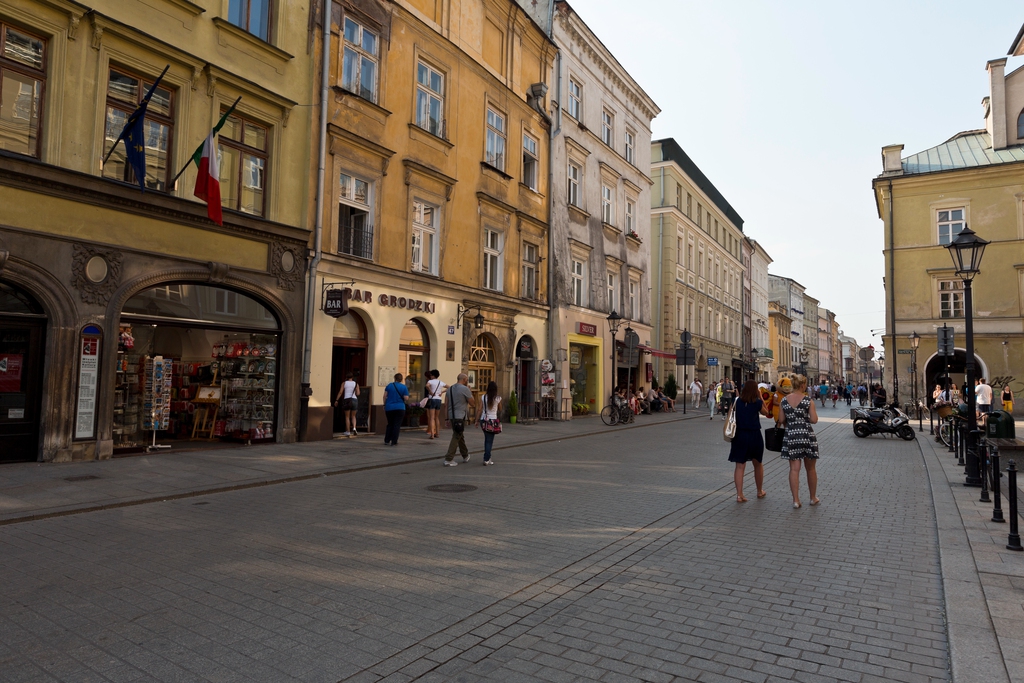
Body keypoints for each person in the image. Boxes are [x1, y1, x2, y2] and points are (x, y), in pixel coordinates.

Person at [778, 374, 820, 508]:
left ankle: (796, 500)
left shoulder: (784, 400)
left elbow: (780, 420)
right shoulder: (808, 401)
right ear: (802, 385)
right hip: (806, 435)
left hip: (791, 435)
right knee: (811, 468)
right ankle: (813, 498)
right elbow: (814, 419)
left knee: (794, 469)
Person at [728, 380, 771, 503]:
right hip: (754, 435)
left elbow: (730, 415)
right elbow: (766, 412)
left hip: (739, 435)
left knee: (740, 466)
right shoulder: (757, 402)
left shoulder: (736, 401)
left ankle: (739, 495)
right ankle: (759, 491)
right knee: (758, 464)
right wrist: (761, 397)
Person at [444, 373, 474, 466]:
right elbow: (472, 403)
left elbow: (446, 404)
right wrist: (470, 391)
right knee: (456, 436)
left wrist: (446, 418)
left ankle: (465, 455)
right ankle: (449, 459)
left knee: (460, 435)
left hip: (452, 416)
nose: (467, 382)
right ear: (464, 380)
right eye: (467, 380)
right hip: (460, 416)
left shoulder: (450, 389)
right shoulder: (465, 389)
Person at [477, 380, 501, 465]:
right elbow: (500, 409)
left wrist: (476, 420)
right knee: (489, 440)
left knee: (486, 439)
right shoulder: (497, 398)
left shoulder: (483, 397)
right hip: (492, 421)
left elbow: (479, 409)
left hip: (484, 420)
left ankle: (488, 457)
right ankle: (486, 459)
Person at [383, 373, 409, 446]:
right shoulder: (404, 387)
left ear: (394, 378)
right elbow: (406, 398)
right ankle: (394, 441)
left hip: (389, 407)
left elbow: (385, 396)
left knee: (390, 424)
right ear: (401, 379)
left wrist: (384, 404)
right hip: (400, 407)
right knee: (397, 425)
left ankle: (387, 440)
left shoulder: (389, 386)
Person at [333, 372, 360, 438]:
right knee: (353, 416)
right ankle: (354, 428)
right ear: (352, 377)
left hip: (347, 400)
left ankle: (348, 431)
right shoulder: (356, 384)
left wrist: (336, 400)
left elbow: (340, 392)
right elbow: (358, 393)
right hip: (354, 400)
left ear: (346, 377)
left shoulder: (344, 383)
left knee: (347, 417)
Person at [424, 369, 446, 440]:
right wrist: (442, 392)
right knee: (437, 417)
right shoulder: (441, 382)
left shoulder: (430, 381)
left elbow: (427, 386)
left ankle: (432, 434)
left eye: (431, 375)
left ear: (432, 375)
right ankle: (438, 433)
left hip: (432, 399)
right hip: (439, 400)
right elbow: (449, 387)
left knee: (431, 417)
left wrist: (430, 391)